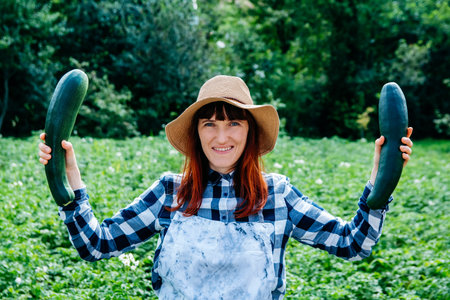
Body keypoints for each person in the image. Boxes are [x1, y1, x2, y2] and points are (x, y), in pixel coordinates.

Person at [38, 75, 413, 299]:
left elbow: (352, 244)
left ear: (250, 131)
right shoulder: (169, 193)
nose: (222, 136)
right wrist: (67, 179)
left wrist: (380, 182)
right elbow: (96, 245)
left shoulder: (277, 195)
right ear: (196, 133)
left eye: (234, 122)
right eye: (209, 124)